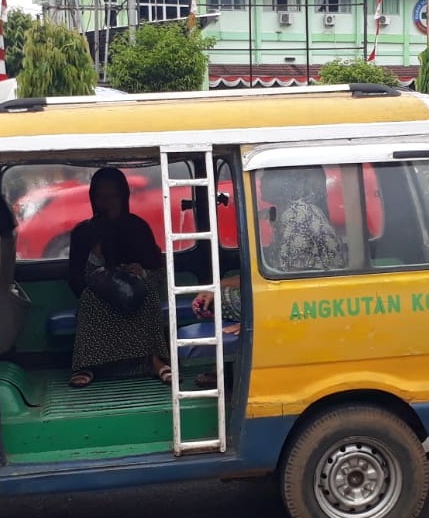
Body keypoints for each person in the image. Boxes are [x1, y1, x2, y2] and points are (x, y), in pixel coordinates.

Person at [190, 166, 346, 387]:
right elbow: (267, 271)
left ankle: (232, 371)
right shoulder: (286, 213)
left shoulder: (296, 216)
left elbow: (292, 281)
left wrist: (255, 321)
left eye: (267, 179)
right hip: (296, 295)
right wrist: (216, 285)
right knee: (216, 295)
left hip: (309, 302)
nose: (261, 183)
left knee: (219, 303)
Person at [67, 167, 170, 388]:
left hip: (136, 288)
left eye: (113, 196)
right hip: (99, 293)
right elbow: (75, 278)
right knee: (90, 301)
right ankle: (88, 364)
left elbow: (156, 268)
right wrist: (95, 261)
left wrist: (139, 272)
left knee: (147, 296)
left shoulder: (138, 227)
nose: (108, 202)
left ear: (124, 196)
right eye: (101, 197)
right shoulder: (84, 232)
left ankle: (154, 360)